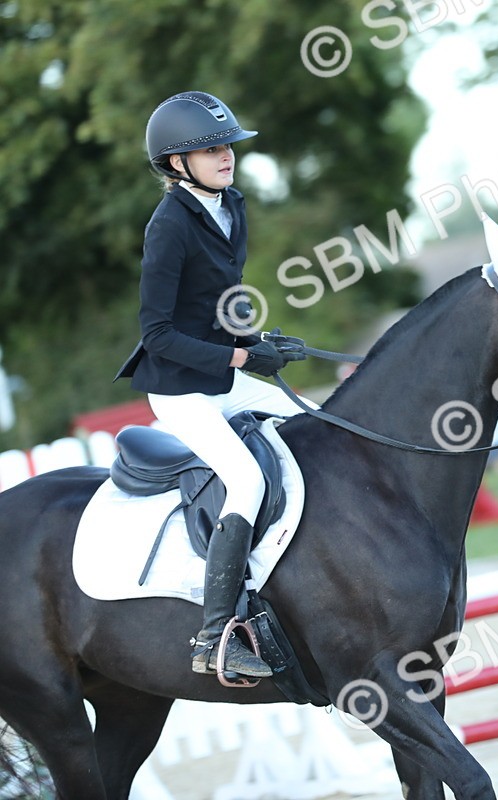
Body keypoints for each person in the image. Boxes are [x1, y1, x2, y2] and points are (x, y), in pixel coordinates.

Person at [115, 91, 306, 679]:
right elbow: (160, 333)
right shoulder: (168, 225)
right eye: (210, 149)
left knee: (316, 430)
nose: (226, 156)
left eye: (227, 145)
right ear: (178, 163)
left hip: (222, 377)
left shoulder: (231, 205)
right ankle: (214, 635)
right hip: (179, 390)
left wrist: (261, 343)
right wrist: (241, 354)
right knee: (245, 480)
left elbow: (216, 304)